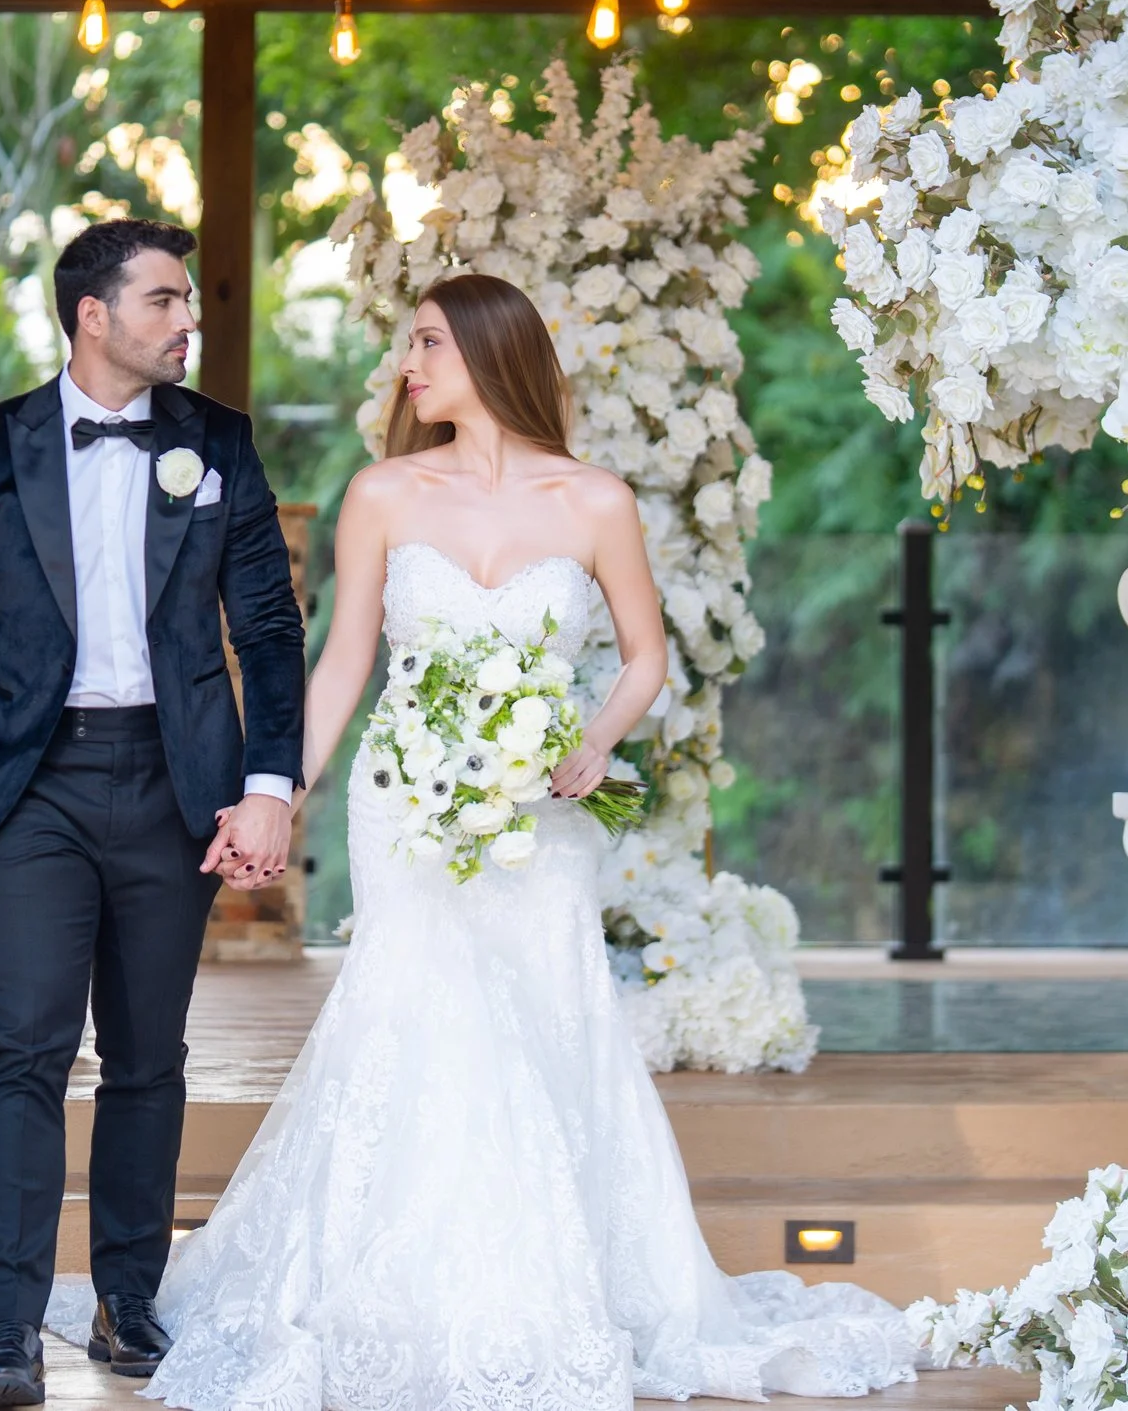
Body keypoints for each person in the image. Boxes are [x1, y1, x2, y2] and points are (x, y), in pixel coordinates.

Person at [149, 273, 918, 1409]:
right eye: (409, 344)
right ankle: (391, 1292)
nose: (406, 366)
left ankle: (565, 1284)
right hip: (405, 803)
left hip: (542, 811)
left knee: (547, 1019)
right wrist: (279, 792)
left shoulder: (593, 500)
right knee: (416, 1015)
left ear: (489, 352)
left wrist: (597, 738)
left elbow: (646, 655)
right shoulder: (381, 493)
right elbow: (345, 663)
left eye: (425, 344)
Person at [0, 217, 306, 1408]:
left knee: (148, 1057)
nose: (189, 321)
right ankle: (9, 1330)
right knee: (23, 1050)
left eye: (187, 301)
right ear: (94, 314)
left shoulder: (217, 441)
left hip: (174, 783)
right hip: (29, 787)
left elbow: (268, 631)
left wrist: (265, 786)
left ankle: (128, 1305)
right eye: (167, 300)